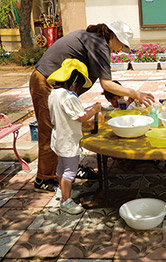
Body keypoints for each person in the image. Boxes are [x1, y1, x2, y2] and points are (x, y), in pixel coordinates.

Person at [30, 19, 155, 193]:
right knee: (51, 129)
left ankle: (72, 166)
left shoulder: (94, 40)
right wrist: (135, 93)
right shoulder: (98, 44)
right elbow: (107, 84)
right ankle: (44, 178)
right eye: (121, 45)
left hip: (59, 86)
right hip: (46, 81)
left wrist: (119, 98)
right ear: (113, 36)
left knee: (70, 124)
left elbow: (106, 84)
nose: (119, 50)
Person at [47, 58, 101, 214]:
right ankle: (66, 201)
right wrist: (95, 110)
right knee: (70, 171)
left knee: (61, 168)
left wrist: (87, 110)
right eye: (79, 86)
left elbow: (68, 113)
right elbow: (82, 117)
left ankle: (61, 190)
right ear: (74, 82)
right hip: (68, 141)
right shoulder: (69, 97)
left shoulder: (54, 93)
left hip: (58, 138)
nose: (79, 90)